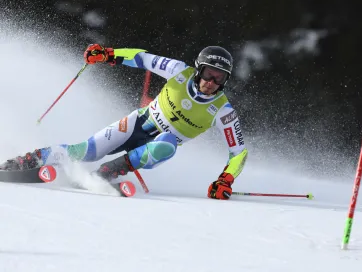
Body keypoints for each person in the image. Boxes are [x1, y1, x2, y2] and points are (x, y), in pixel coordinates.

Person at [0, 44, 248, 200]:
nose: (211, 82)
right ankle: (22, 161)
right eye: (208, 74)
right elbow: (142, 58)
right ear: (198, 70)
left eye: (219, 78)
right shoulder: (178, 71)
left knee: (166, 144)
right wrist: (109, 55)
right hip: (136, 124)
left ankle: (107, 173)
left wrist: (225, 180)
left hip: (157, 146)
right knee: (85, 152)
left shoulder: (222, 111)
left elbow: (239, 152)